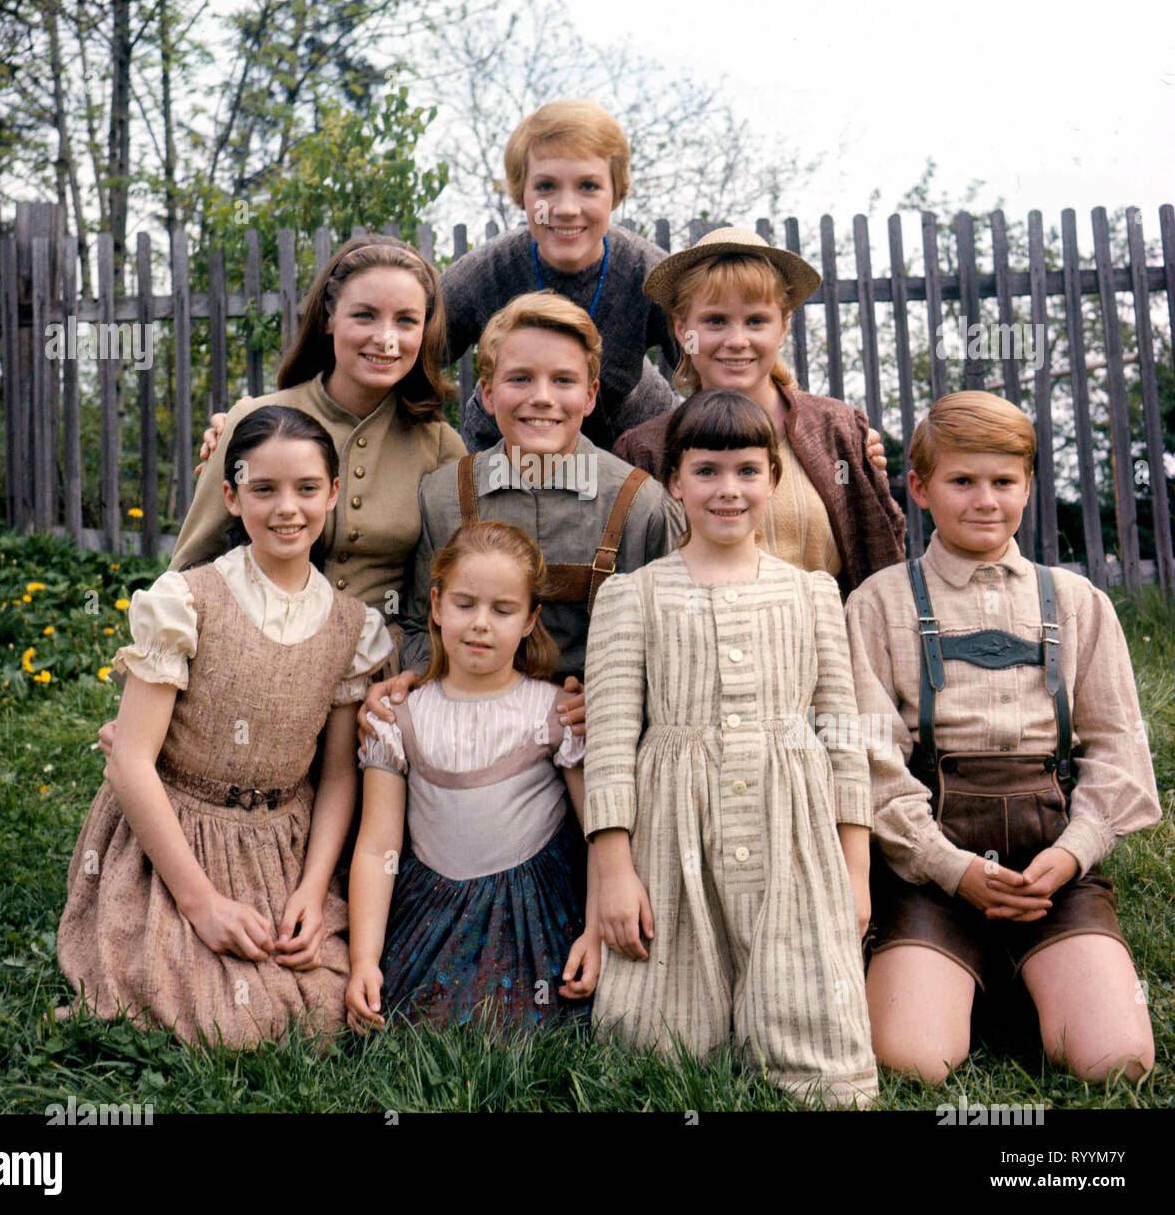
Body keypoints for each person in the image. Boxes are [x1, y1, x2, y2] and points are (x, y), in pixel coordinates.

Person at [847, 392, 1160, 1083]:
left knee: (1119, 1062)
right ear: (920, 488)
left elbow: (1119, 752)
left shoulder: (1077, 603)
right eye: (961, 481)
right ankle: (959, 974)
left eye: (1004, 482)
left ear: (1028, 486)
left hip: (1051, 870)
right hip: (929, 870)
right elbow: (868, 763)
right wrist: (947, 866)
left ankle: (1037, 972)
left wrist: (1074, 853)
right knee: (909, 1061)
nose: (984, 500)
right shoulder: (879, 602)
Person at [58, 406, 394, 1046]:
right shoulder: (186, 601)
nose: (287, 508)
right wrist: (200, 903)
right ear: (232, 497)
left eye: (306, 489)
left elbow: (337, 774)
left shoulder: (354, 627)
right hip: (178, 834)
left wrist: (314, 887)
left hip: (281, 846)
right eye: (264, 490)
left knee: (320, 1008)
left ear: (333, 494)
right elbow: (130, 760)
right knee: (226, 1017)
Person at [584, 389, 878, 1107]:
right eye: (707, 471)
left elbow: (843, 732)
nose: (728, 490)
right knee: (658, 1048)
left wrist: (856, 864)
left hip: (791, 829)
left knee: (818, 1051)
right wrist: (615, 871)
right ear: (675, 482)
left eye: (748, 470)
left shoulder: (812, 594)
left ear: (773, 479)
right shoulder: (633, 595)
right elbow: (613, 740)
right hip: (673, 830)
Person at [96, 235, 464, 753]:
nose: (387, 338)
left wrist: (416, 675)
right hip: (250, 676)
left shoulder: (441, 445)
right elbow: (190, 571)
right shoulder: (256, 420)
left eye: (406, 321)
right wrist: (141, 711)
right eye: (364, 316)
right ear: (329, 320)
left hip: (374, 684)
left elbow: (441, 592)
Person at [361, 292, 684, 735]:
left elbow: (668, 639)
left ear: (590, 396)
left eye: (564, 381)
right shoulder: (443, 497)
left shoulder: (640, 503)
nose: (543, 398)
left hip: (596, 740)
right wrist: (415, 675)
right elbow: (418, 620)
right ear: (488, 394)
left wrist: (622, 696)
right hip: (471, 734)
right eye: (520, 380)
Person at [347, 522, 599, 1032]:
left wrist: (594, 931)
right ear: (436, 606)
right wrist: (363, 961)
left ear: (530, 620)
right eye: (465, 605)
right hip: (433, 910)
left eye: (503, 610)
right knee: (414, 1026)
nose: (481, 624)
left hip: (534, 914)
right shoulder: (401, 718)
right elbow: (378, 847)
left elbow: (597, 832)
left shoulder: (554, 713)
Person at [613, 226, 905, 593]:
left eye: (756, 321)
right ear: (681, 329)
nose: (737, 341)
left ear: (783, 328)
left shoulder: (838, 431)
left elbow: (882, 553)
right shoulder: (646, 450)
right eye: (715, 320)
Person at [442, 99, 679, 451]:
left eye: (588, 186)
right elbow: (410, 357)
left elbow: (712, 371)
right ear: (521, 193)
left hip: (629, 447)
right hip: (505, 453)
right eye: (546, 187)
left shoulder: (653, 275)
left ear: (615, 193)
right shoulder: (486, 273)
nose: (567, 209)